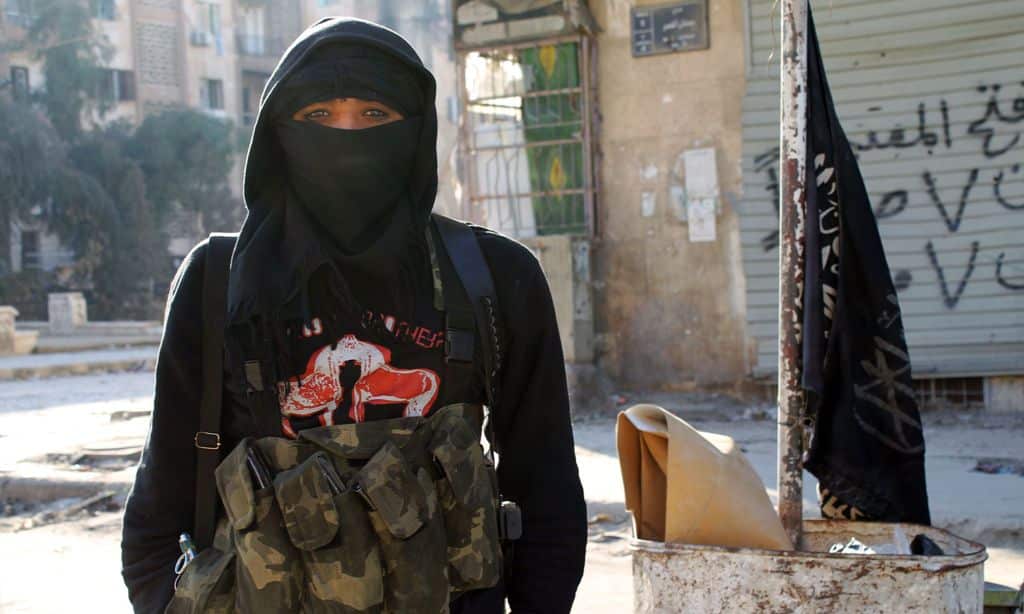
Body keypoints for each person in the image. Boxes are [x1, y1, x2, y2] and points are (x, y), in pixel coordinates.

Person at [120, 17, 587, 614]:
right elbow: (158, 509)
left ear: (414, 130)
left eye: (374, 114)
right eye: (318, 114)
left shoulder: (495, 276)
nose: (346, 137)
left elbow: (547, 492)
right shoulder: (218, 284)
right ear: (277, 134)